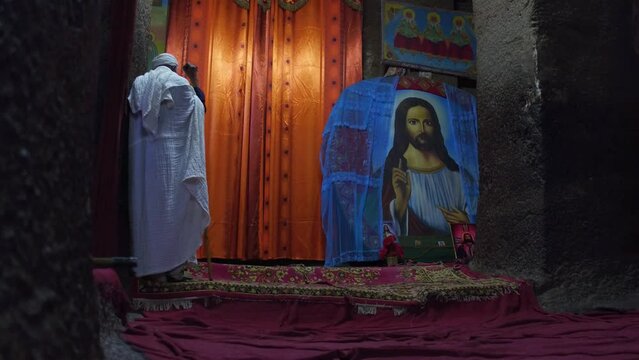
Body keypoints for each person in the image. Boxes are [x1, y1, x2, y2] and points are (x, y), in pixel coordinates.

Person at [128, 53, 210, 282]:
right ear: (174, 67)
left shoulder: (139, 84)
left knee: (150, 210)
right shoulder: (179, 84)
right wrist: (194, 80)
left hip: (146, 162)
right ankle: (173, 267)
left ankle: (153, 269)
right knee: (175, 210)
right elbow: (197, 108)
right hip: (176, 162)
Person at [382, 97, 468, 236]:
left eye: (427, 122)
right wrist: (401, 203)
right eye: (413, 122)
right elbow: (383, 228)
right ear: (402, 126)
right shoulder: (394, 174)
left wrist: (466, 222)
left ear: (435, 126)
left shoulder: (457, 175)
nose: (422, 129)